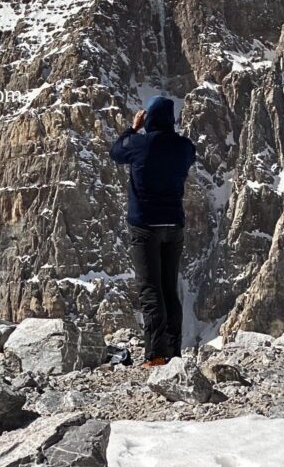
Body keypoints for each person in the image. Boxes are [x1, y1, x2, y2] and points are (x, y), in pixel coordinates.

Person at [109, 95, 196, 367]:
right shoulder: (184, 147)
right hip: (174, 225)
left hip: (145, 227)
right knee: (170, 290)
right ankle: (174, 353)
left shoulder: (139, 144)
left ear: (148, 118)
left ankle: (156, 355)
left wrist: (133, 128)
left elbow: (116, 152)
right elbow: (184, 152)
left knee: (151, 291)